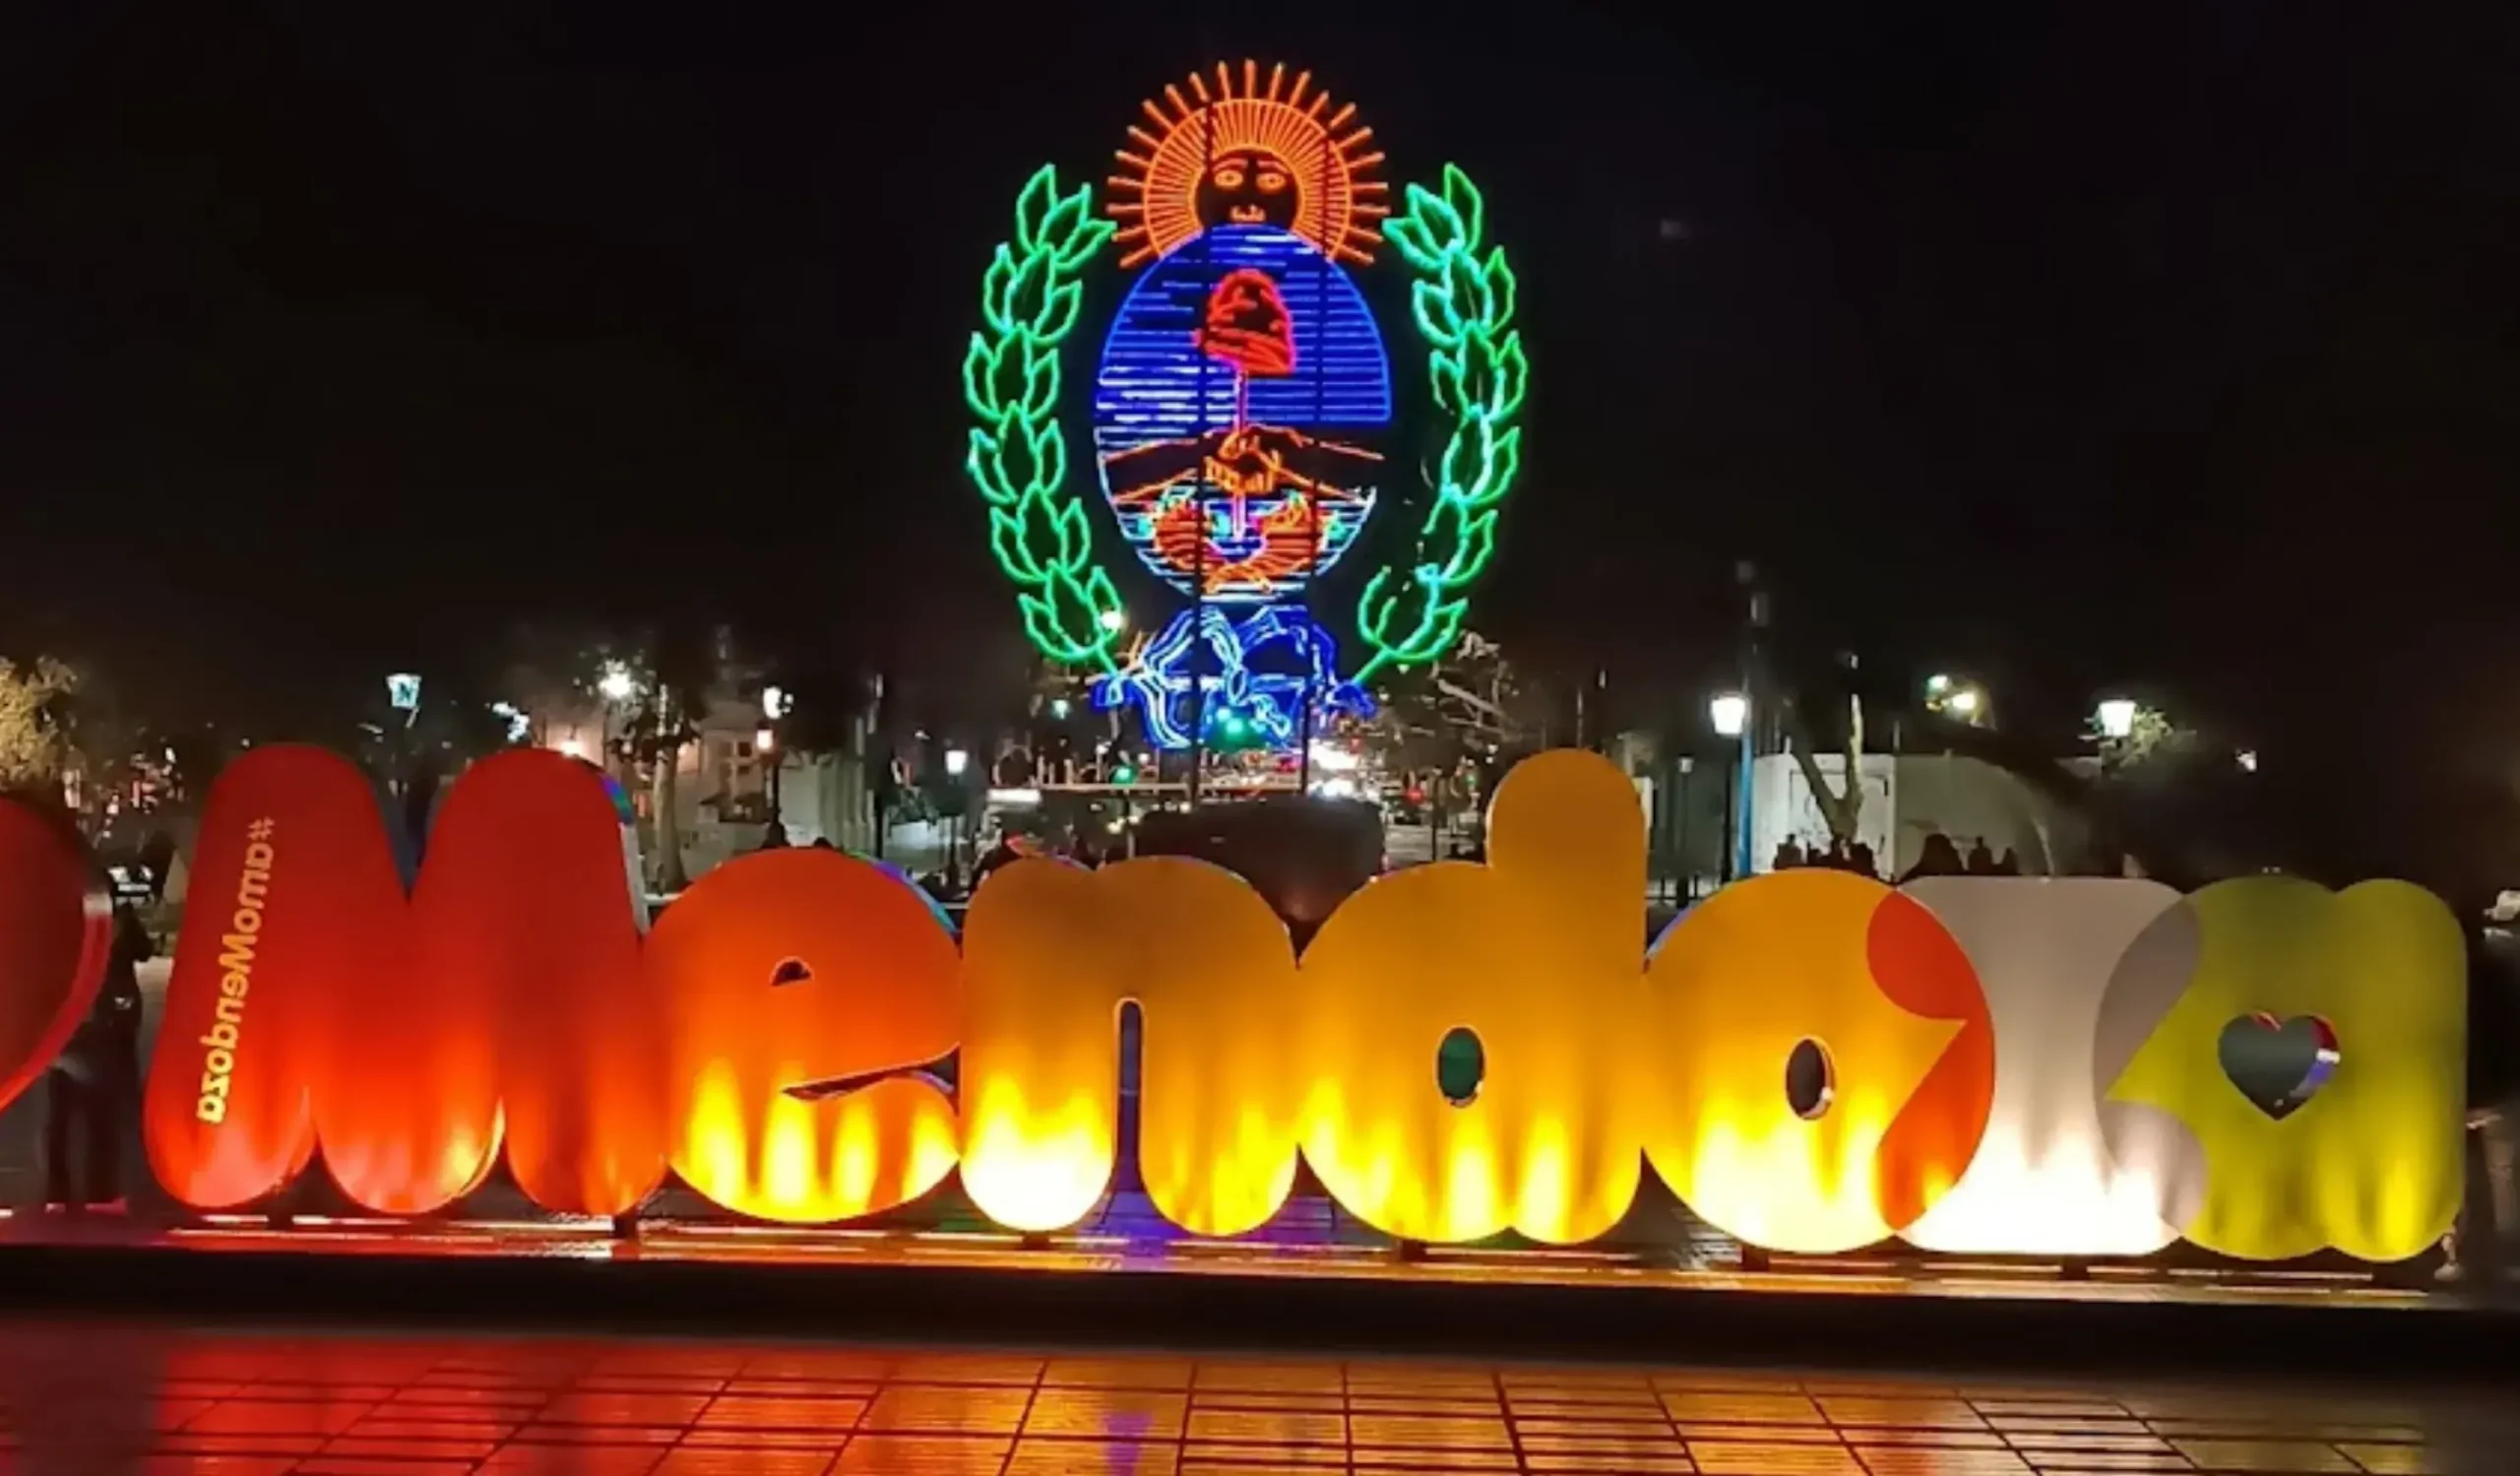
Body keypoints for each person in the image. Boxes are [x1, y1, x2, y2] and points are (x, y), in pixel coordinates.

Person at [46, 894, 150, 1212]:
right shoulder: (74, 935)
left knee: (90, 1118)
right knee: (71, 1118)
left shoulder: (100, 939)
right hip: (80, 1035)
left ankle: (92, 1191)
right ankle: (70, 1190)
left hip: (94, 1035)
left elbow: (143, 952)